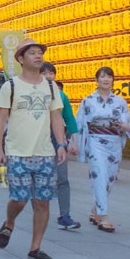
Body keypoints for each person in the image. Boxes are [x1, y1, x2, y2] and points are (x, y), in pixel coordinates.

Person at [0, 40, 67, 259]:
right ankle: (9, 222)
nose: (37, 56)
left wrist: (61, 144)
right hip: (17, 151)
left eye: (40, 53)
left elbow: (56, 117)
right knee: (20, 199)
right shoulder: (11, 86)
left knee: (42, 202)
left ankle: (35, 248)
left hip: (45, 152)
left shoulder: (51, 87)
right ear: (21, 60)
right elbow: (1, 118)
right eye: (32, 53)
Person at [74, 67, 130, 232]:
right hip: (95, 141)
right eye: (102, 76)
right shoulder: (88, 100)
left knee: (109, 178)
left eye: (109, 76)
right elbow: (79, 123)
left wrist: (125, 126)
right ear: (97, 80)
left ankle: (96, 209)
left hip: (114, 142)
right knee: (99, 174)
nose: (106, 79)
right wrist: (75, 144)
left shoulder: (120, 102)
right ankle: (103, 215)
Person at [41, 63, 81, 230]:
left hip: (57, 139)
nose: (49, 76)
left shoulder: (61, 96)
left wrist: (74, 140)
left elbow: (70, 118)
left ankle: (65, 216)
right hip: (37, 142)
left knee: (63, 179)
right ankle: (39, 214)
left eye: (51, 73)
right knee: (40, 180)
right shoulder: (31, 94)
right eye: (44, 73)